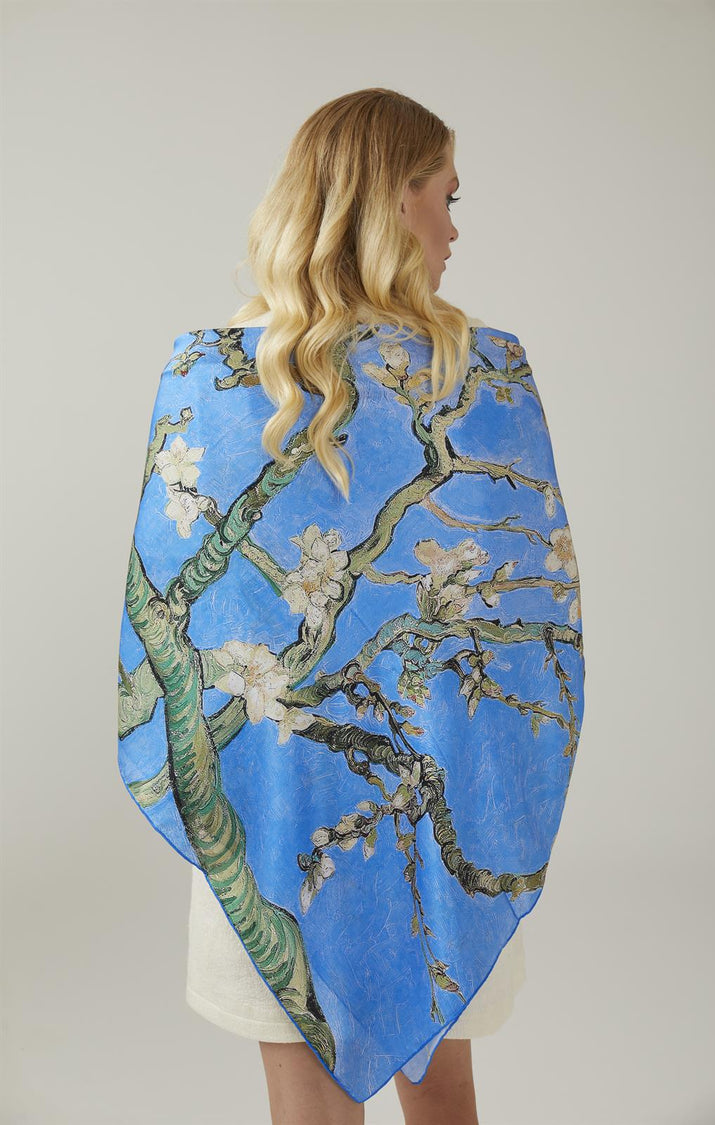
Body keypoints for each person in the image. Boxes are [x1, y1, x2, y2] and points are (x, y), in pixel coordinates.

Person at [192, 87, 523, 1125]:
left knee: (317, 1103)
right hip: (413, 784)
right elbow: (510, 591)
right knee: (439, 1085)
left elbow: (194, 620)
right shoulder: (480, 375)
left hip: (274, 794)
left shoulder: (211, 375)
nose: (454, 231)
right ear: (392, 199)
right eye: (446, 198)